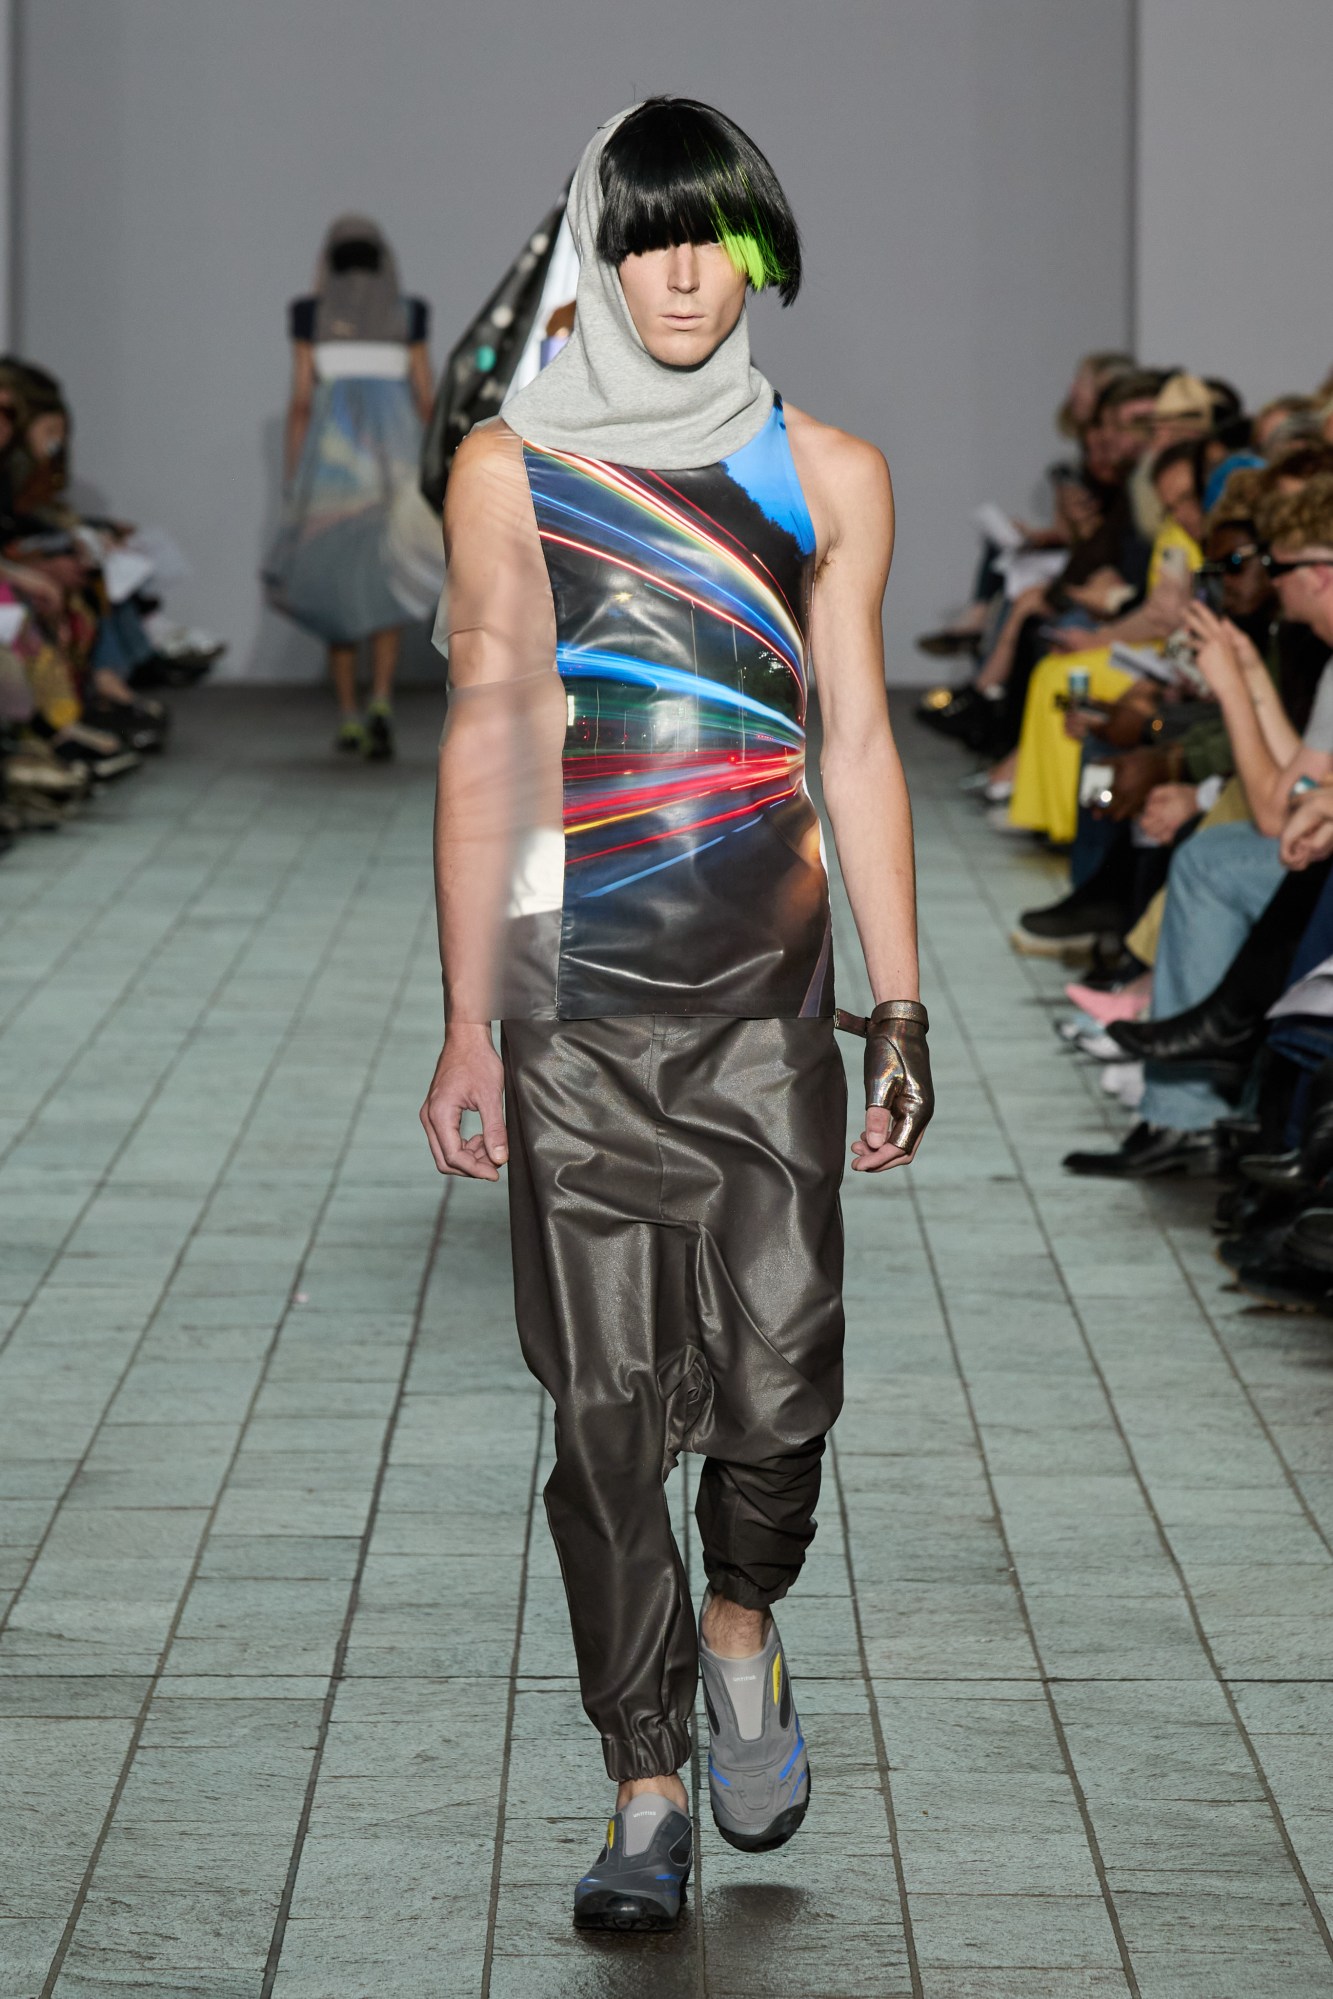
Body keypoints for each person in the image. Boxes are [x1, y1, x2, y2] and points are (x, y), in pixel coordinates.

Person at [418, 98, 932, 1933]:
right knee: (606, 1415)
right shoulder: (509, 472)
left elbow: (852, 740)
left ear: (762, 251)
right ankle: (644, 1781)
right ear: (600, 255)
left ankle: (737, 1633)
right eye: (649, 238)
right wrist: (472, 1018)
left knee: (784, 1386)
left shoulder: (829, 473)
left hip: (767, 1008)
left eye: (717, 234)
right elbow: (493, 738)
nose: (687, 272)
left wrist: (900, 995)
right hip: (575, 1008)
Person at [267, 217, 436, 759]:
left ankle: (348, 716)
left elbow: (300, 402)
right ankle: (381, 699)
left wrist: (294, 480)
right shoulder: (408, 313)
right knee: (384, 581)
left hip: (331, 475)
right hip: (395, 470)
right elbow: (425, 400)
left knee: (335, 583)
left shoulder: (309, 314)